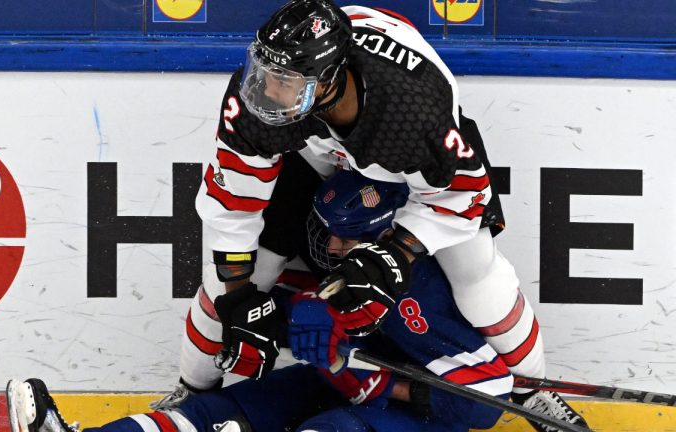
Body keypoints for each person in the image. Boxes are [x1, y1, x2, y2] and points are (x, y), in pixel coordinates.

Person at [186, 1, 588, 430]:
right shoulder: (262, 101)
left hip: (407, 162)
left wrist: (397, 251)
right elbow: (233, 204)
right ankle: (193, 393)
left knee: (475, 270)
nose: (266, 90)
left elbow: (463, 198)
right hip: (313, 146)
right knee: (231, 284)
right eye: (264, 73)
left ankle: (533, 394)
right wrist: (238, 293)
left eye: (284, 81)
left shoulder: (412, 110)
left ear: (327, 80)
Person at [6, 171, 515, 432]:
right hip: (330, 385)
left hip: (399, 421)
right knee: (214, 413)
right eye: (328, 233)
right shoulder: (331, 268)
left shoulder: (415, 295)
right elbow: (295, 319)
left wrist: (381, 383)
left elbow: (489, 397)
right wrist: (290, 320)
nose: (330, 248)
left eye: (348, 239)